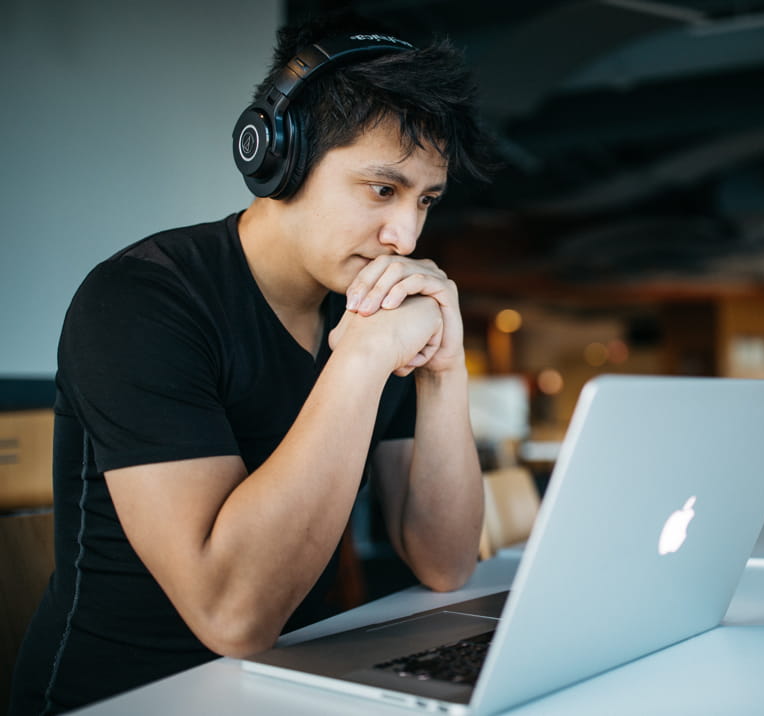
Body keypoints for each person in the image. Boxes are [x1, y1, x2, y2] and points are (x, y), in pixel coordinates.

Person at [10, 12, 492, 715]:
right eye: (382, 190)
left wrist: (445, 370)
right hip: (128, 695)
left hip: (293, 683)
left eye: (426, 201)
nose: (406, 234)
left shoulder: (363, 303)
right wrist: (359, 360)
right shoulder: (142, 300)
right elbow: (231, 617)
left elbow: (445, 563)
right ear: (278, 157)